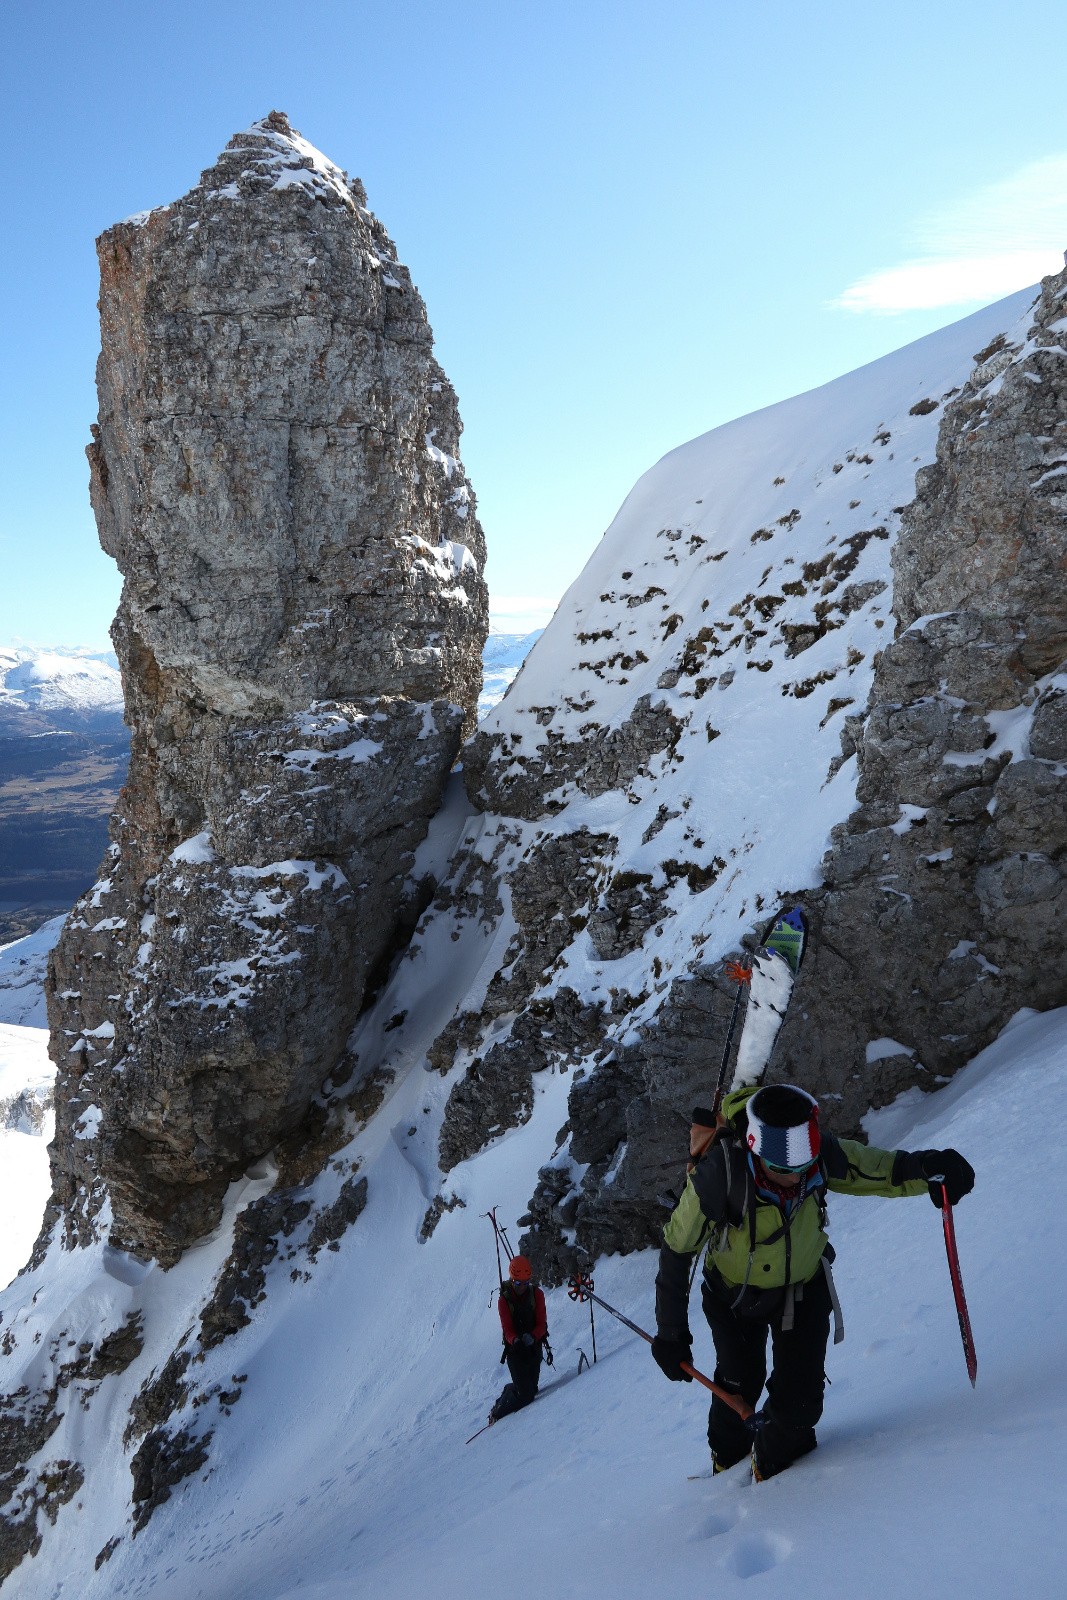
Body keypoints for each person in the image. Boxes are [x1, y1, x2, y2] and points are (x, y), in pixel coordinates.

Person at [652, 1083, 975, 1480]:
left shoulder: (815, 1155)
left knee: (801, 1403)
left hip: (803, 1289)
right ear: (755, 1149)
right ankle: (726, 1461)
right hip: (733, 1297)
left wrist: (928, 1168)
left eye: (803, 1168)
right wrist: (670, 1332)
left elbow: (879, 1169)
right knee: (739, 1383)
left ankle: (773, 1470)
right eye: (783, 1171)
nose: (796, 1179)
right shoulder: (720, 1175)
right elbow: (677, 1248)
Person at [490, 1255, 549, 1421]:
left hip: (533, 1348)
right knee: (526, 1396)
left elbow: (542, 1324)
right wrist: (516, 1340)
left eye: (525, 1283)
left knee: (532, 1389)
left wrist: (532, 1337)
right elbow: (507, 1329)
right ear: (512, 1279)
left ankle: (510, 1390)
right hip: (515, 1352)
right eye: (518, 1283)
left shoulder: (537, 1294)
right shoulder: (504, 1300)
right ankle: (498, 1412)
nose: (522, 1287)